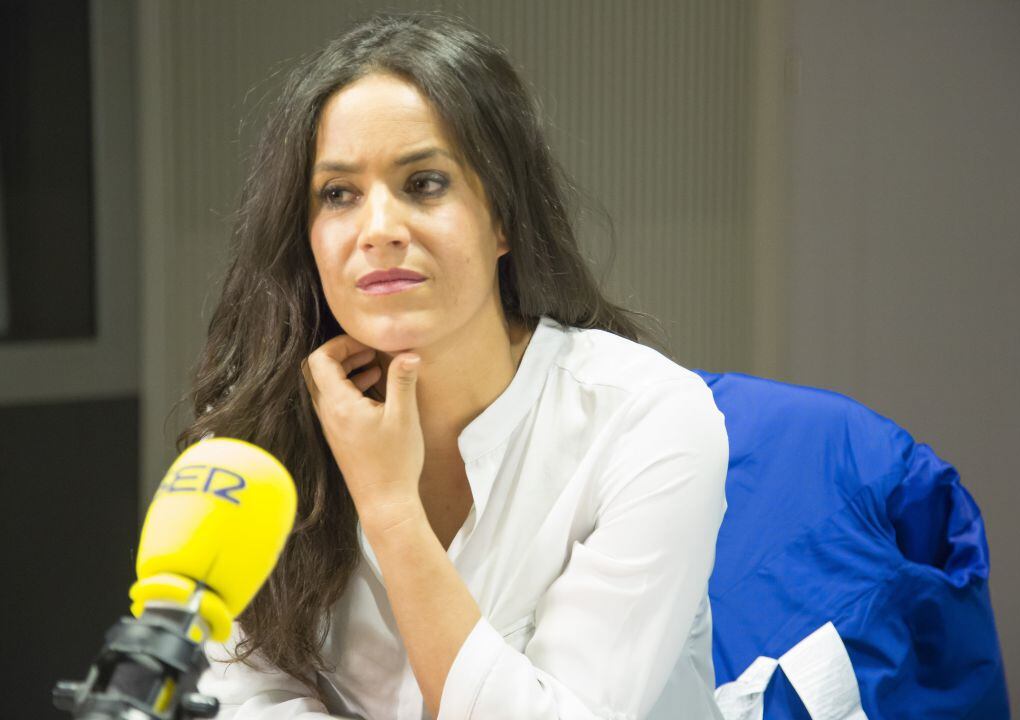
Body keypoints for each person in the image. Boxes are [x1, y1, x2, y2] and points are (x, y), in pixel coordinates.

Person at [187, 10, 728, 720]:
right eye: (339, 194)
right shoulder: (253, 446)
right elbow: (248, 700)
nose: (378, 229)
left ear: (504, 218)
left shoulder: (648, 420)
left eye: (424, 183)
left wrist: (389, 508)